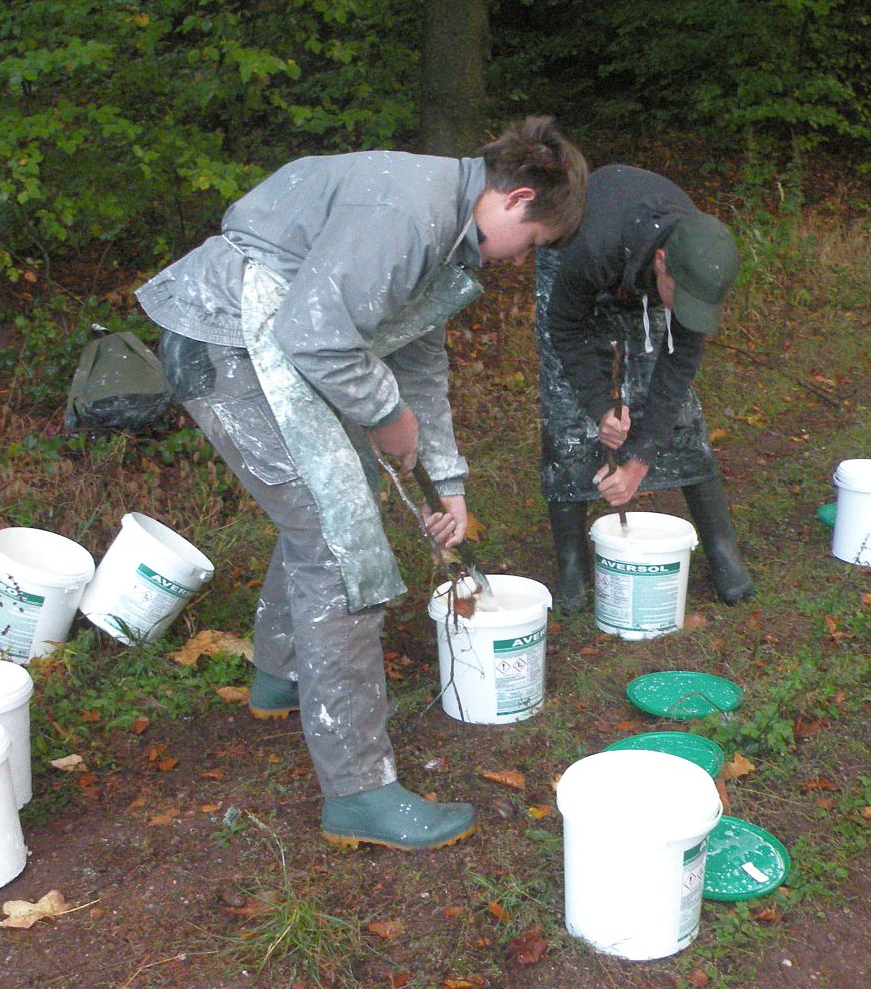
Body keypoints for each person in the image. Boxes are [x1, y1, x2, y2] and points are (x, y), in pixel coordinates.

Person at [137, 118, 587, 851]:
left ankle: (282, 676)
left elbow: (417, 361)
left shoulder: (446, 224)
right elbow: (315, 337)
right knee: (341, 543)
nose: (519, 259)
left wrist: (447, 481)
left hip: (269, 336)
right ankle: (359, 792)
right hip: (229, 339)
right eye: (532, 241)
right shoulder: (407, 210)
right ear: (518, 199)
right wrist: (387, 418)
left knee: (324, 511)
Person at [535, 165, 753, 613]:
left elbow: (678, 366)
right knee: (567, 410)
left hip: (635, 266)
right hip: (576, 254)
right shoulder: (594, 249)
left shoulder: (699, 259)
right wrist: (600, 406)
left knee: (680, 413)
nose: (690, 309)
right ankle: (573, 564)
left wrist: (638, 461)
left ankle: (722, 549)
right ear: (661, 263)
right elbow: (565, 327)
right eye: (683, 298)